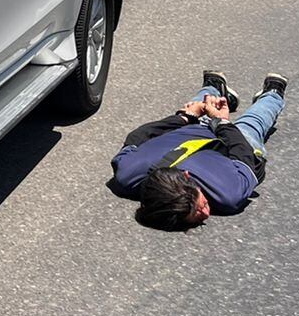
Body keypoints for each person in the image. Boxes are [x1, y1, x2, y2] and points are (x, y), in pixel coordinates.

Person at [108, 71, 289, 229]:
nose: (205, 212)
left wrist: (184, 117)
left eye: (198, 205)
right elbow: (244, 156)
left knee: (196, 106)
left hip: (196, 129)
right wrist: (222, 123)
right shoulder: (228, 194)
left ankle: (212, 89)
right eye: (195, 213)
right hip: (233, 148)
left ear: (187, 176)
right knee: (251, 123)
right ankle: (272, 94)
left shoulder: (126, 174)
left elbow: (140, 135)